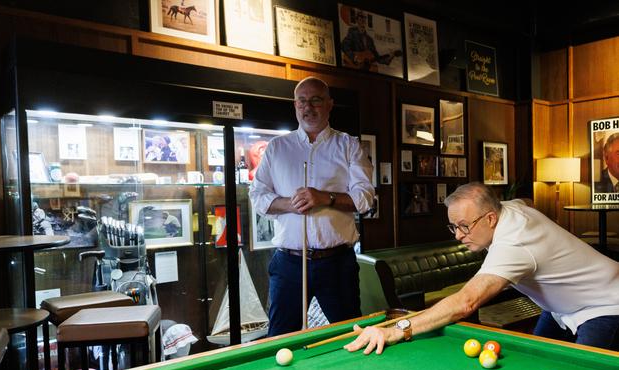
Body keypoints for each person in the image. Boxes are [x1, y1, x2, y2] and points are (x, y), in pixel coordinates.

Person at [345, 182, 619, 354]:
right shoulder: (506, 208)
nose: (458, 235)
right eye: (453, 226)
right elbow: (525, 201)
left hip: (605, 303)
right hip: (561, 307)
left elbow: (465, 303)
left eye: (464, 226)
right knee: (537, 361)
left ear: (490, 218)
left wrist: (395, 329)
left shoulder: (514, 243)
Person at [249, 76, 375, 336]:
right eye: (301, 101)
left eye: (315, 101)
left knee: (351, 334)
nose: (308, 107)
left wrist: (324, 198)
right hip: (289, 263)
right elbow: (258, 196)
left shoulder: (348, 145)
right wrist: (289, 204)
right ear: (295, 105)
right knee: (281, 337)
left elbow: (365, 199)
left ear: (329, 104)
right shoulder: (277, 148)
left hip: (337, 262)